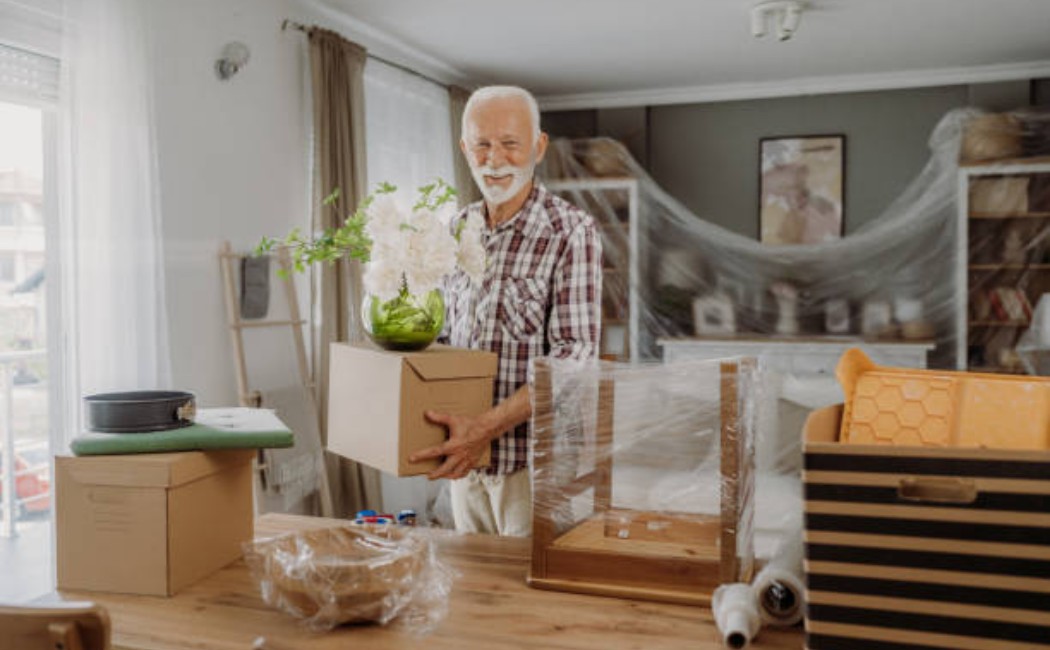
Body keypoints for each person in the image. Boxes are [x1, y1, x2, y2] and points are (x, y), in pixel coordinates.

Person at [408, 86, 602, 536]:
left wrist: (485, 427)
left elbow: (574, 357)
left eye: (510, 144)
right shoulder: (454, 230)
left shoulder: (570, 232)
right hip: (464, 461)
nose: (495, 159)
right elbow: (440, 341)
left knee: (530, 599)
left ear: (538, 146)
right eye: (482, 144)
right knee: (473, 590)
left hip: (532, 468)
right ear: (464, 149)